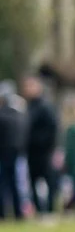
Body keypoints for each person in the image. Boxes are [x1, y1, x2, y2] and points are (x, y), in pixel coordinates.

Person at [23, 73, 57, 215]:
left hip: (43, 151)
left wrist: (47, 146)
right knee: (33, 181)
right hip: (31, 151)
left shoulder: (45, 107)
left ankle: (49, 208)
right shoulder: (29, 106)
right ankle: (38, 208)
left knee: (48, 180)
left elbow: (52, 128)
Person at [0, 81, 23, 221]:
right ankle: (18, 213)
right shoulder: (19, 116)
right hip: (16, 154)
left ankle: (2, 213)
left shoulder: (2, 116)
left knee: (3, 185)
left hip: (3, 154)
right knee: (15, 184)